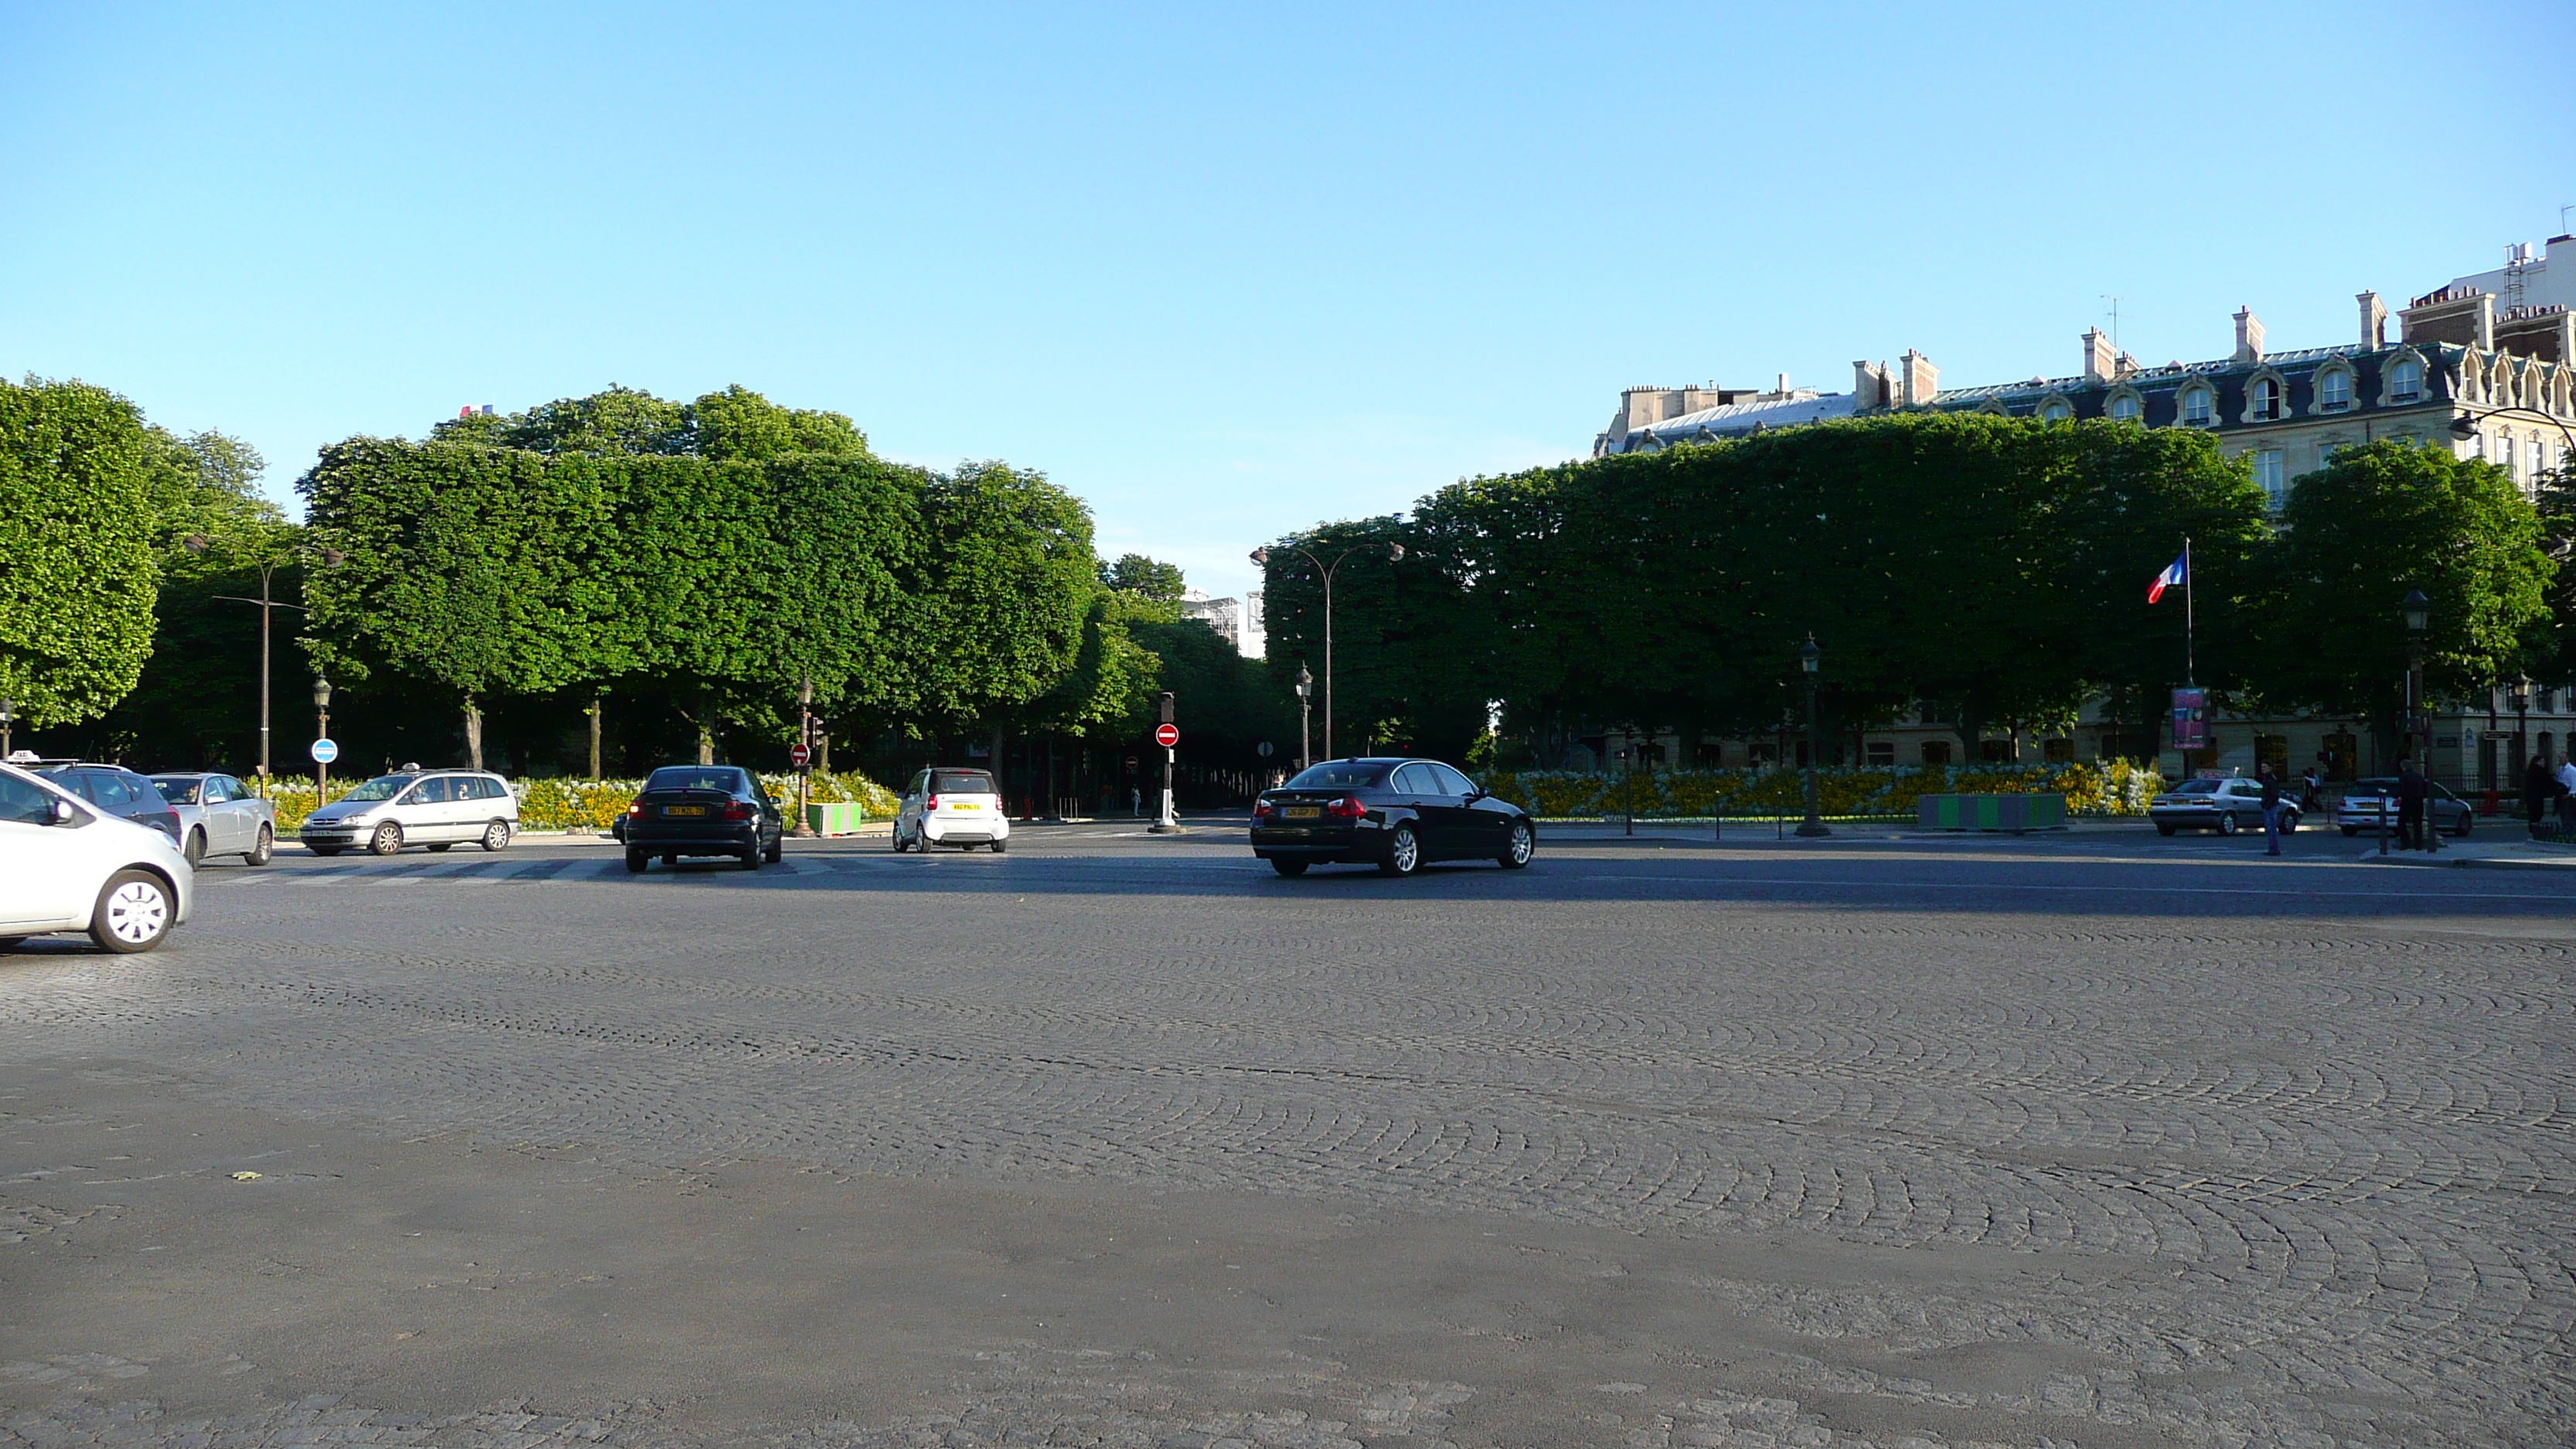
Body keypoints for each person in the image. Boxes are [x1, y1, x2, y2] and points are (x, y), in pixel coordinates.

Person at [2396, 759, 2429, 851]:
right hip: (2419, 801)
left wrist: (2397, 796)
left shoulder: (2404, 776)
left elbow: (2401, 790)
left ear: (2403, 767)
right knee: (2417, 824)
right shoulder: (2419, 776)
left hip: (2407, 801)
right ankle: (2418, 845)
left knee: (2401, 823)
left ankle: (2406, 843)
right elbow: (2425, 788)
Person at [2259, 764, 2285, 856]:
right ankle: (2272, 848)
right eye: (2262, 767)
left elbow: (2274, 795)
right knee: (2269, 828)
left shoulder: (2272, 779)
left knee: (2271, 828)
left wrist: (2267, 804)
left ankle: (2275, 849)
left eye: (2265, 767)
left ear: (2270, 768)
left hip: (2271, 806)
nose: (2263, 769)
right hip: (2269, 805)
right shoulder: (2266, 778)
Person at [2525, 751, 2556, 827]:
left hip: (2530, 796)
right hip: (2538, 795)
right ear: (2537, 762)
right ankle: (2536, 827)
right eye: (2541, 761)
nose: (2543, 763)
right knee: (2538, 812)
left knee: (2532, 813)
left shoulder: (2529, 771)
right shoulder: (2541, 771)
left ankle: (2532, 826)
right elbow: (2549, 782)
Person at [2558, 754, 2576, 833]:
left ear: (2567, 758)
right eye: (2559, 758)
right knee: (2563, 814)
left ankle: (2571, 829)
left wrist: (2570, 794)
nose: (2560, 760)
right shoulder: (2560, 769)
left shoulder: (2572, 770)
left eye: (2562, 758)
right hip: (2562, 793)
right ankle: (2565, 829)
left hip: (2569, 795)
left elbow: (2574, 782)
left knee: (2569, 814)